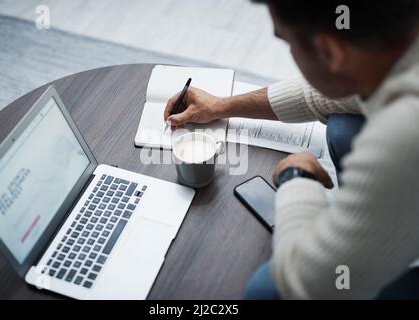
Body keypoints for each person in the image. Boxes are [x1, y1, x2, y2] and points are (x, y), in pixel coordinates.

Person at [163, 0, 419, 299]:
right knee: (343, 129)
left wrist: (296, 179)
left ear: (330, 52)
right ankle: (375, 222)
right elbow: (326, 95)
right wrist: (221, 106)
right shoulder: (396, 50)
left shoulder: (403, 131)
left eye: (287, 42)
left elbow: (310, 285)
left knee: (265, 291)